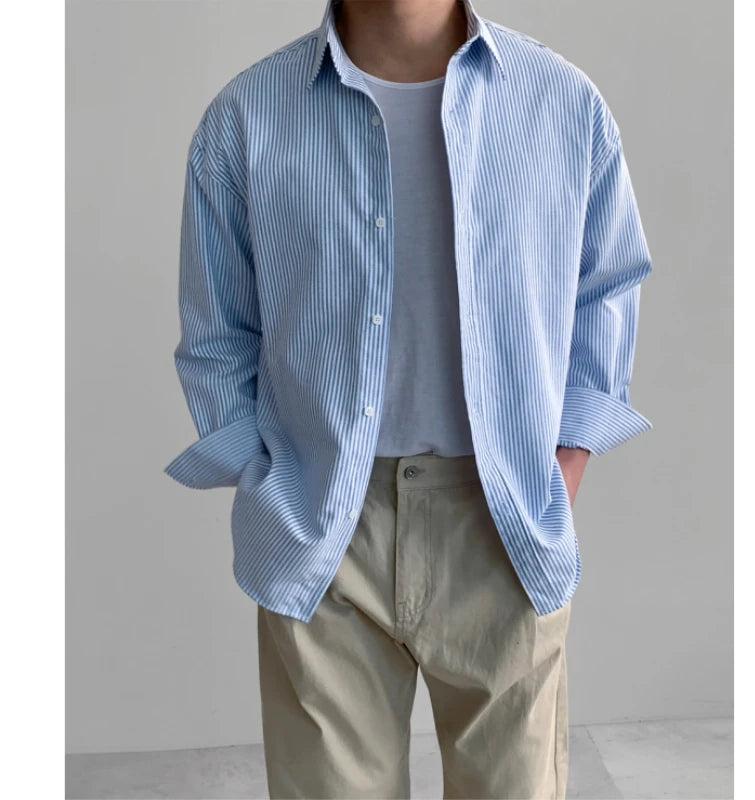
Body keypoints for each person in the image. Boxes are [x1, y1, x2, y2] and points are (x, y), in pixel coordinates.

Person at [163, 0, 653, 796]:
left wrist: (562, 466)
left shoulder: (562, 103)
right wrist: (269, 481)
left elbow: (606, 288)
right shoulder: (246, 118)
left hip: (504, 519)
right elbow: (219, 332)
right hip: (324, 521)